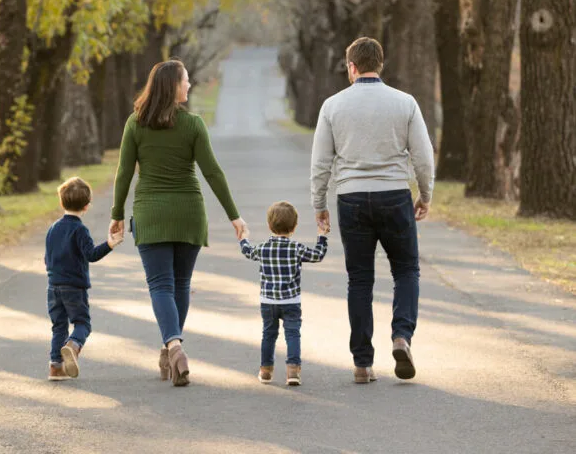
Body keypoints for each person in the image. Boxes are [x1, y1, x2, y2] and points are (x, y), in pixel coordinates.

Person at [110, 59, 246, 386]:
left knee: (161, 285)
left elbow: (124, 174)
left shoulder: (135, 124)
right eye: (186, 81)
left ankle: (172, 344)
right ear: (173, 86)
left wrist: (116, 214)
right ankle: (171, 346)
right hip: (188, 212)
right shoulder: (193, 124)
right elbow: (212, 172)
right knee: (181, 284)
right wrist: (234, 215)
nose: (189, 86)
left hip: (151, 213)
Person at [310, 36, 435, 383]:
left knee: (360, 280)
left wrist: (319, 204)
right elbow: (423, 157)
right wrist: (425, 195)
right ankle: (401, 336)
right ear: (381, 65)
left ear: (351, 68)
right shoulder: (404, 103)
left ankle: (362, 363)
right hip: (394, 196)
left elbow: (321, 162)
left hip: (351, 198)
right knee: (407, 271)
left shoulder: (332, 106)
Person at [240, 200, 328, 387]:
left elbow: (247, 251)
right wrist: (322, 235)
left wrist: (243, 237)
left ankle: (265, 371)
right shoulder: (296, 248)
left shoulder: (263, 248)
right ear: (294, 227)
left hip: (268, 301)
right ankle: (293, 371)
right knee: (293, 334)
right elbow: (318, 255)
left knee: (269, 335)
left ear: (269, 225)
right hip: (291, 301)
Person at [45, 176, 122, 380]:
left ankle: (55, 367)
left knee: (58, 326)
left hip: (53, 287)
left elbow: (47, 258)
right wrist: (110, 244)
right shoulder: (79, 229)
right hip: (74, 288)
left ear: (62, 201)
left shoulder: (52, 229)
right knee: (82, 324)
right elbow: (91, 255)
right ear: (87, 206)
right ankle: (73, 345)